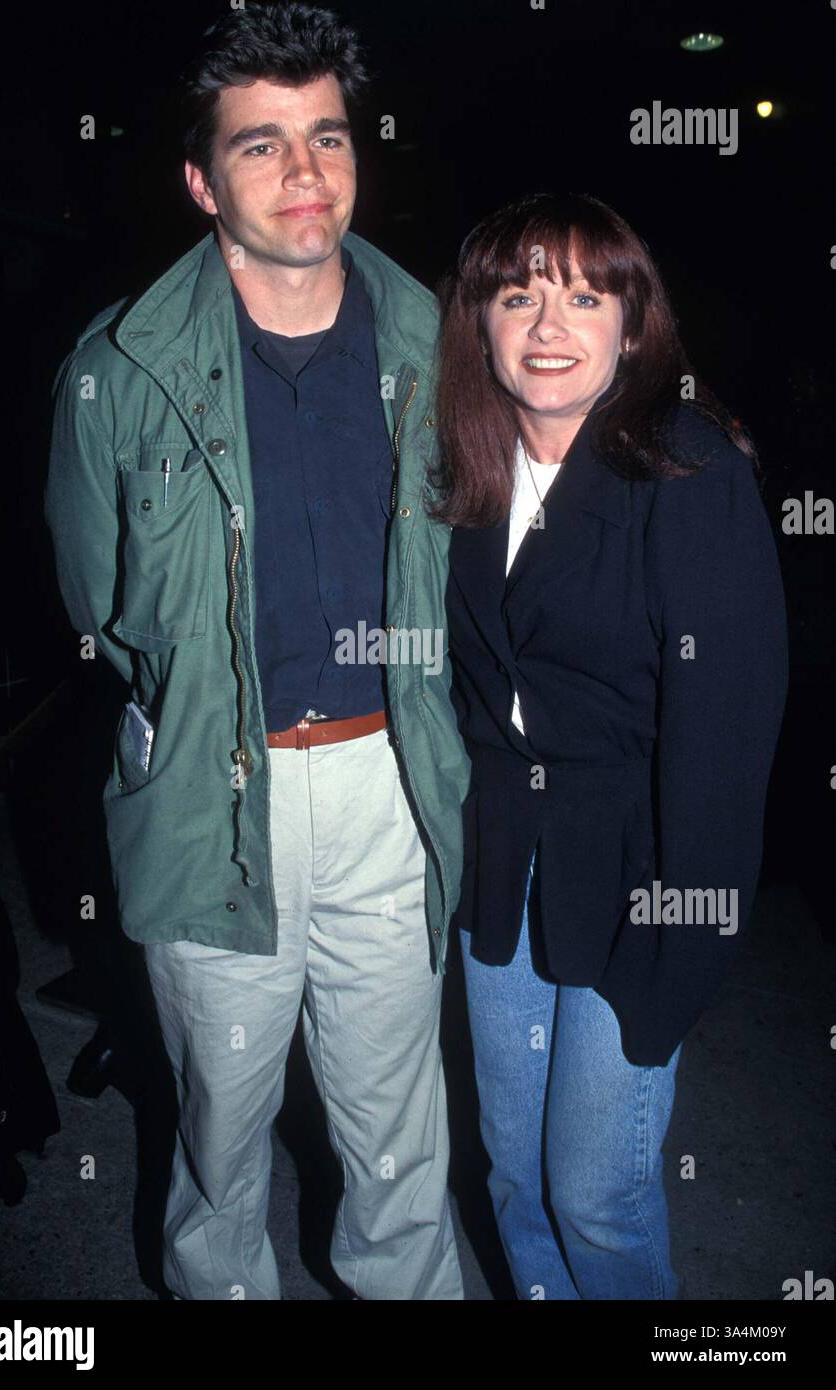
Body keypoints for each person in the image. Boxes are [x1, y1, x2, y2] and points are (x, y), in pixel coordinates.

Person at [44, 3, 471, 1301]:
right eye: (261, 145)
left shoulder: (436, 342)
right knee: (221, 1130)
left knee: (400, 1131)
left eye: (327, 138)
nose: (304, 175)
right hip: (209, 788)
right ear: (198, 178)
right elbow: (99, 604)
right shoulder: (116, 372)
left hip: (386, 783)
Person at [436, 191, 788, 1300]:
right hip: (502, 869)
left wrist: (685, 942)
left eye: (584, 296)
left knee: (595, 1190)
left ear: (631, 325)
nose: (548, 323)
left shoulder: (681, 465)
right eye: (517, 294)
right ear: (479, 323)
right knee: (512, 1178)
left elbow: (723, 739)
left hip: (636, 873)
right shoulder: (461, 467)